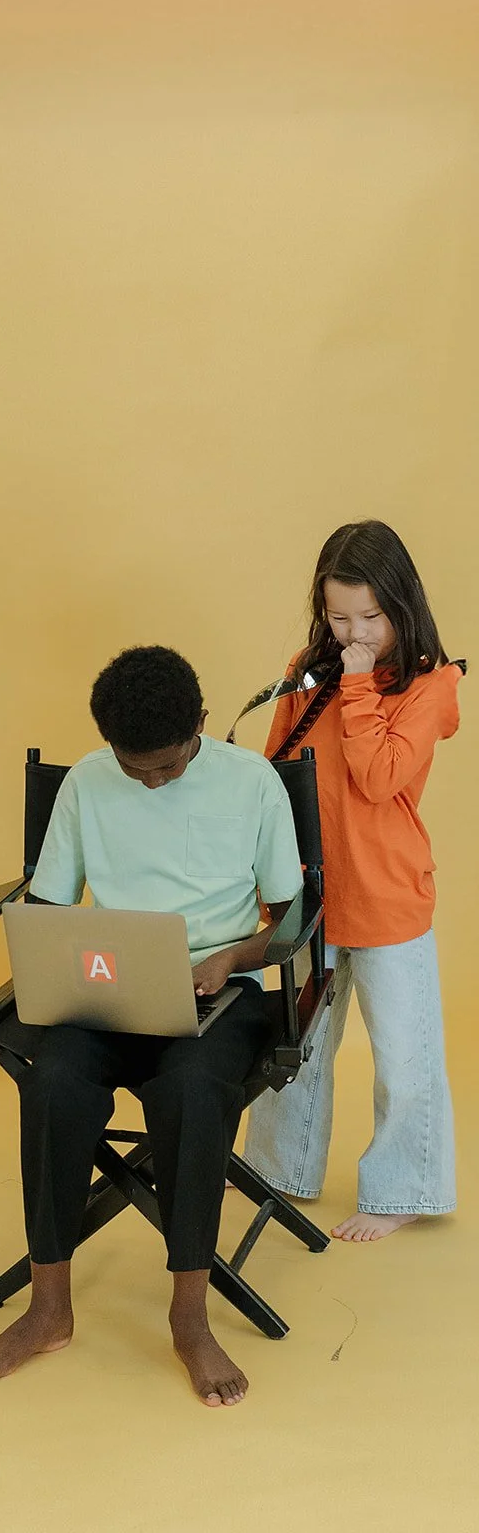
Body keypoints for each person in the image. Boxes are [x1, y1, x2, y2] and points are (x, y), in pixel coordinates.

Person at [0, 646, 301, 1406]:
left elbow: (286, 914)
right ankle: (48, 1309)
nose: (149, 781)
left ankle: (189, 1317)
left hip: (221, 988)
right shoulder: (86, 781)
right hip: (110, 988)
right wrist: (51, 956)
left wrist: (229, 959)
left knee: (189, 1089)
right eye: (133, 767)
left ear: (201, 729)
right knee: (55, 1082)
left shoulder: (252, 783)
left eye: (167, 769)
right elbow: (49, 902)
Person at [244, 520, 461, 1241]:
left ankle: (403, 1188)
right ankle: (278, 1171)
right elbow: (276, 773)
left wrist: (361, 678)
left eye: (371, 616)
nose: (354, 631)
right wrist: (267, 880)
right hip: (311, 894)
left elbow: (378, 776)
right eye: (339, 618)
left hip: (390, 896)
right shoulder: (311, 666)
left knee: (403, 1055)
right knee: (294, 1048)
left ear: (401, 605)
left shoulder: (433, 683)